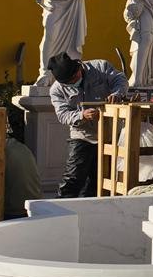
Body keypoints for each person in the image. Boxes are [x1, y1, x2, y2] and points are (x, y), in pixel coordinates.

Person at [48, 51, 128, 197]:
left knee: (100, 179)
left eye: (75, 76)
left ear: (78, 67)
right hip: (82, 135)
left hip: (109, 134)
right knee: (73, 177)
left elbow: (119, 79)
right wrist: (81, 115)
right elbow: (63, 115)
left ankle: (91, 210)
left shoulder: (100, 67)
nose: (74, 81)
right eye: (69, 82)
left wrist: (117, 93)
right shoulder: (56, 90)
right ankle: (59, 209)